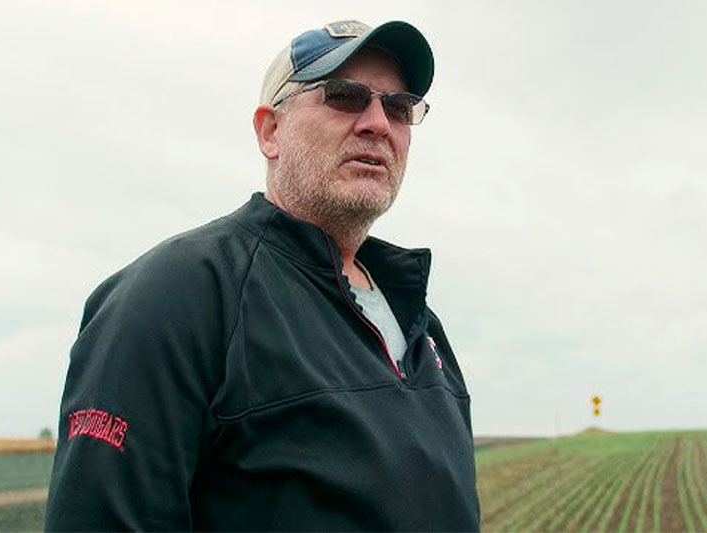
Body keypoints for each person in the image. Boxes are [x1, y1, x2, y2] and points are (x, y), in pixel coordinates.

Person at [45, 19, 480, 532]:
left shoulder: (421, 324)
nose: (377, 123)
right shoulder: (177, 295)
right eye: (344, 96)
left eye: (399, 107)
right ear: (270, 132)